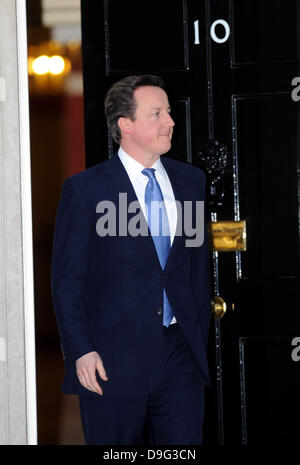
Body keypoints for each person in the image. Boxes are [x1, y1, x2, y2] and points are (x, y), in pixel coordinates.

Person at [51, 74, 211, 445]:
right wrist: (81, 350)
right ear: (126, 125)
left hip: (179, 356)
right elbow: (68, 281)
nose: (170, 121)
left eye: (168, 112)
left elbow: (196, 270)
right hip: (110, 359)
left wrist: (196, 339)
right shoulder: (87, 190)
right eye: (157, 114)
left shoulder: (191, 181)